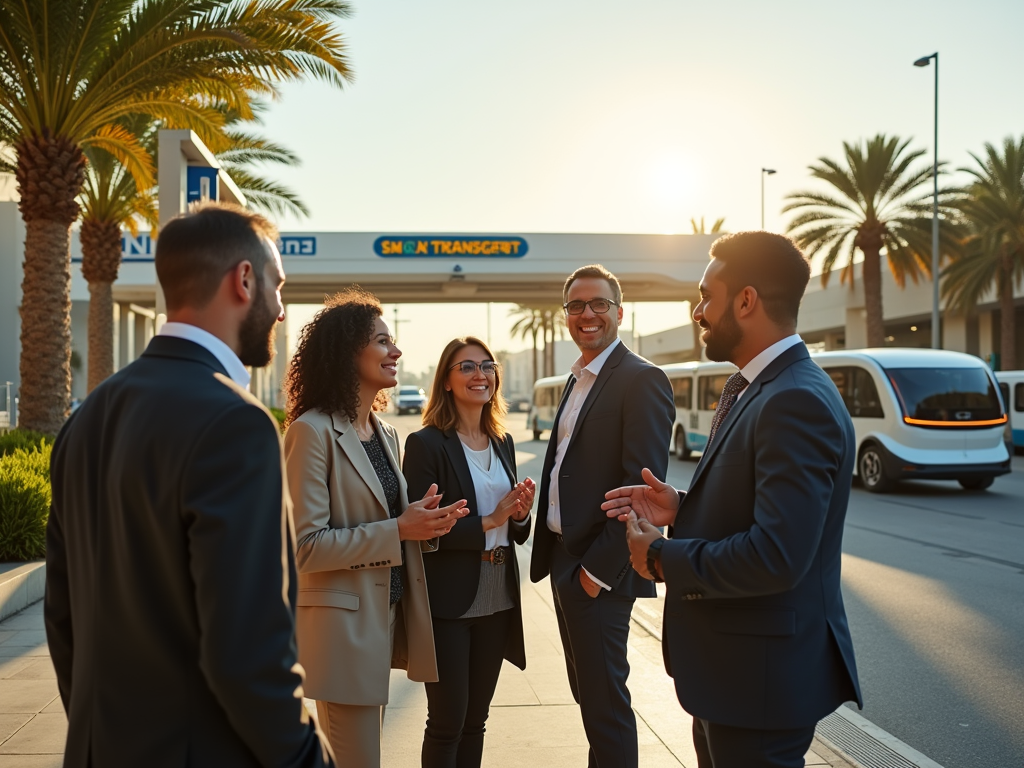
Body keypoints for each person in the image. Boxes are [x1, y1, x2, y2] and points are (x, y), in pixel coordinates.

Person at [44, 203, 334, 767]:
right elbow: (248, 653)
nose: (280, 310)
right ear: (243, 281)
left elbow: (63, 619)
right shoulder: (236, 422)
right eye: (277, 286)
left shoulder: (87, 419)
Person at [603, 231, 863, 768]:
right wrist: (684, 505)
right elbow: (760, 505)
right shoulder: (765, 388)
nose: (698, 311)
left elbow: (778, 555)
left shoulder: (793, 401)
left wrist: (658, 558)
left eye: (706, 296)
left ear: (746, 300)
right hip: (739, 679)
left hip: (759, 685)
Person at [283, 288, 469, 768]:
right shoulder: (311, 431)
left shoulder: (383, 432)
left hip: (383, 621)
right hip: (342, 631)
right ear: (349, 353)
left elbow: (393, 526)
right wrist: (399, 530)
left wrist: (426, 525)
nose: (396, 351)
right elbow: (304, 547)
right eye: (383, 341)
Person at [529, 265, 675, 768]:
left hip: (598, 568)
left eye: (598, 304)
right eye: (575, 306)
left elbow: (643, 492)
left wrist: (595, 574)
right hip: (568, 561)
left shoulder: (641, 379)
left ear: (619, 310)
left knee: (606, 704)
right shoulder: (578, 379)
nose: (586, 314)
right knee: (589, 697)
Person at [403, 337, 536, 768]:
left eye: (487, 366)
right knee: (446, 723)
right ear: (445, 380)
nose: (480, 374)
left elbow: (516, 529)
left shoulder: (503, 442)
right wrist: (489, 520)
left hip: (498, 593)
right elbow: (424, 531)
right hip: (450, 597)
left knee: (476, 720)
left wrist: (518, 514)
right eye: (466, 367)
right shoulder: (426, 444)